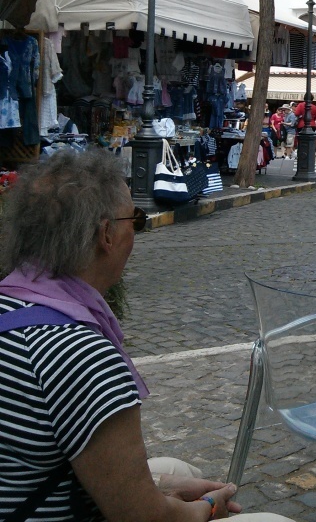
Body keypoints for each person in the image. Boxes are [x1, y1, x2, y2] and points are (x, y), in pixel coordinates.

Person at [0, 150, 294, 522]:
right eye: (135, 219)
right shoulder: (79, 353)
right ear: (106, 234)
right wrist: (205, 508)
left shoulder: (11, 304)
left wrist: (161, 488)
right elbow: (144, 518)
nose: (137, 230)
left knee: (177, 470)